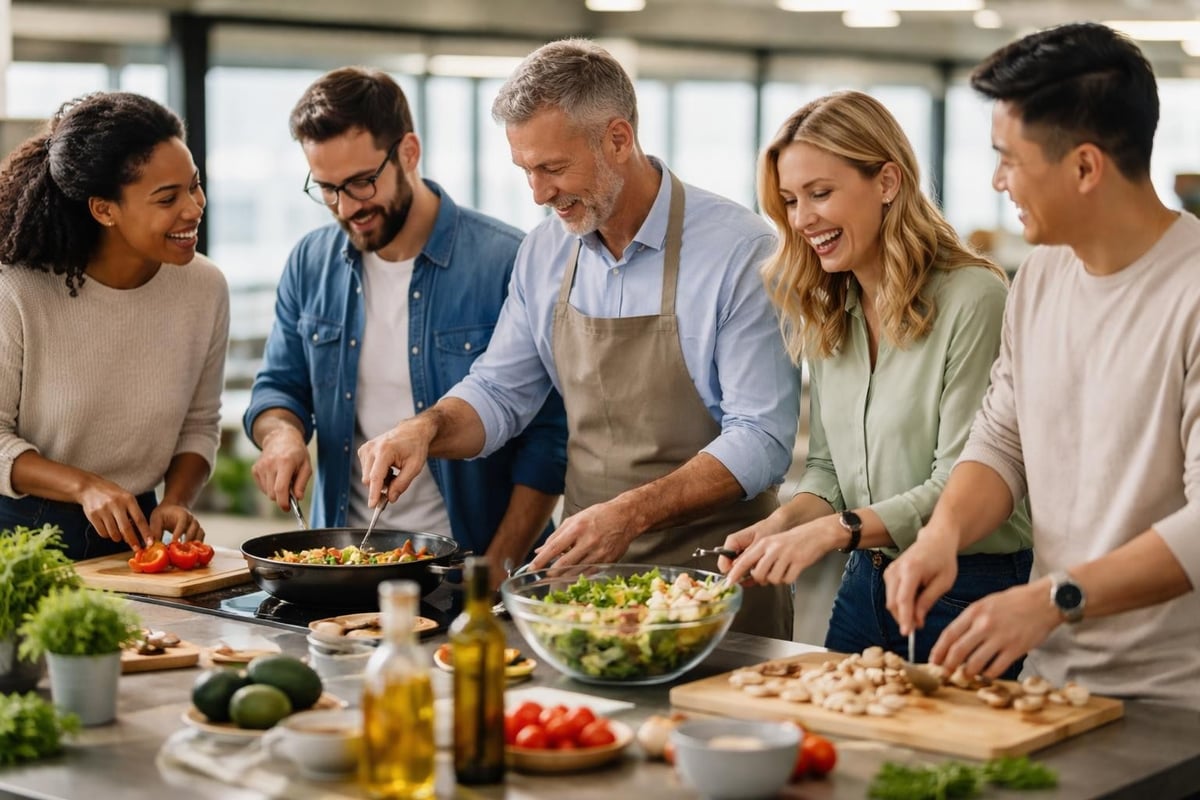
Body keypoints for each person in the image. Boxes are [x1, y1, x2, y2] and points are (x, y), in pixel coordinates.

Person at [358, 40, 801, 639]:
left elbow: (764, 437)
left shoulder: (739, 250)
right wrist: (427, 429)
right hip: (587, 582)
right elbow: (499, 391)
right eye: (525, 170)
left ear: (618, 139)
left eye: (553, 168)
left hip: (718, 579)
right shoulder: (545, 250)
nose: (538, 194)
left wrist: (632, 512)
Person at [884, 23, 1200, 709]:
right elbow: (1002, 440)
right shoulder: (1040, 277)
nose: (997, 181)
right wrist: (942, 534)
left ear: (1085, 167)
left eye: (1009, 159)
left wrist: (1056, 598)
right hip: (1053, 687)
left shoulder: (1193, 292)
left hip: (1178, 703)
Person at [718, 91, 1032, 665]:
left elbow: (967, 478)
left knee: (940, 757)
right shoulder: (830, 305)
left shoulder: (973, 298)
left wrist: (833, 532)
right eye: (790, 200)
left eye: (821, 193)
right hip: (866, 583)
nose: (802, 219)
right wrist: (784, 525)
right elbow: (830, 470)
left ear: (887, 182)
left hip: (968, 588)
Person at [244, 67, 567, 585]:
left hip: (472, 568)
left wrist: (497, 566)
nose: (347, 207)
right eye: (327, 190)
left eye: (361, 182)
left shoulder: (508, 261)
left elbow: (550, 439)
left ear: (409, 153)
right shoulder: (310, 262)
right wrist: (281, 435)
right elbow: (278, 387)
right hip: (345, 568)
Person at [0, 92, 228, 560]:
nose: (192, 208)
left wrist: (176, 500)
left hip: (134, 532)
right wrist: (84, 486)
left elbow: (199, 424)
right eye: (167, 198)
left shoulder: (205, 287)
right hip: (17, 536)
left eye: (194, 185)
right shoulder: (18, 290)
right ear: (104, 209)